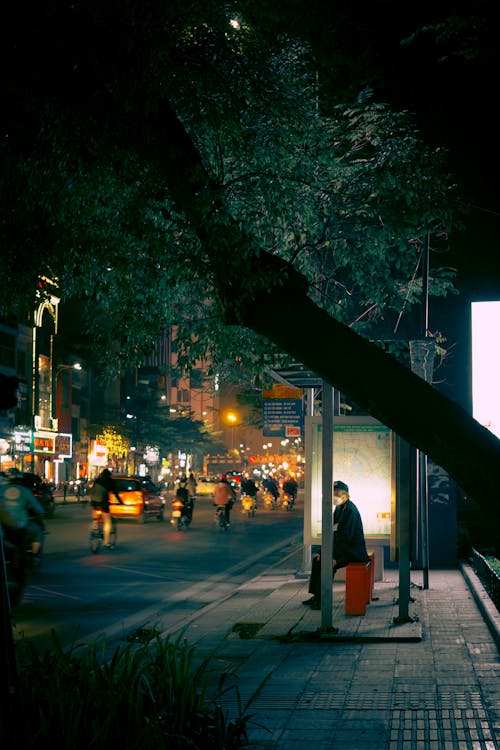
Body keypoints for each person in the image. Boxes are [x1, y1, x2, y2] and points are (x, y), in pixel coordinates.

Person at [303, 480, 369, 610]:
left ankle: (322, 600)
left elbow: (346, 538)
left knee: (327, 564)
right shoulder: (339, 509)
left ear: (344, 496)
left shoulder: (350, 511)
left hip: (352, 551)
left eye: (336, 495)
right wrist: (322, 553)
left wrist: (335, 557)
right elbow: (331, 533)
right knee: (317, 561)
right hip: (343, 548)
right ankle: (316, 595)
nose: (333, 498)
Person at [89, 469, 120, 548]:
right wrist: (120, 501)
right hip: (103, 503)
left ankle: (95, 528)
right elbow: (115, 493)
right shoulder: (110, 481)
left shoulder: (97, 480)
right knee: (107, 521)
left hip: (94, 502)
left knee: (95, 517)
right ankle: (106, 542)